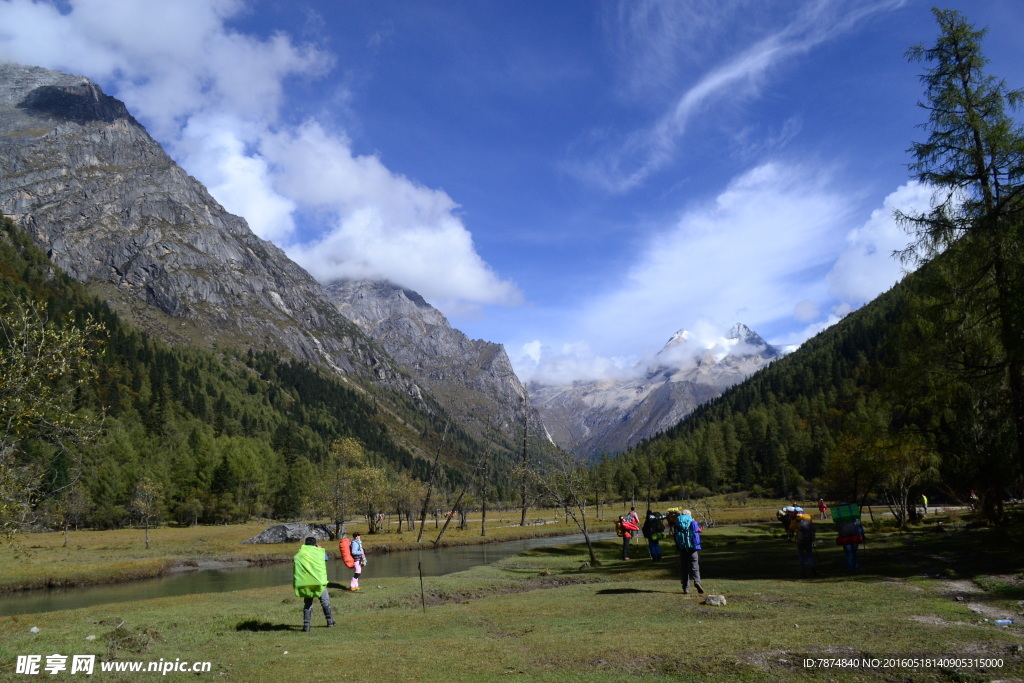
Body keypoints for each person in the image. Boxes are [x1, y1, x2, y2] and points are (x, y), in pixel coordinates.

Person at [293, 536, 334, 631]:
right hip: (319, 582)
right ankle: (330, 621)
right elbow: (326, 558)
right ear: (315, 544)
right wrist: (319, 550)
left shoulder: (300, 553)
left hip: (306, 582)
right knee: (325, 602)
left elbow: (295, 559)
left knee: (308, 604)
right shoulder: (319, 552)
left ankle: (306, 626)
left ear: (305, 544)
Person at [672, 509, 703, 594]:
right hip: (693, 548)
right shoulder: (692, 522)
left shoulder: (677, 523)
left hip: (682, 548)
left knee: (684, 567)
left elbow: (674, 537)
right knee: (695, 566)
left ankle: (686, 587)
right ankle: (697, 581)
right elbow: (699, 531)